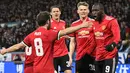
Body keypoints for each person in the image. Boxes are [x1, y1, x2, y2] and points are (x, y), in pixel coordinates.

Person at [0, 11, 92, 73]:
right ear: (48, 22)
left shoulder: (31, 35)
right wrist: (81, 26)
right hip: (47, 68)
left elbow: (18, 46)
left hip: (36, 68)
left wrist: (5, 51)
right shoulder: (49, 33)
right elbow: (65, 31)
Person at [91, 3, 120, 73]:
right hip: (98, 56)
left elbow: (117, 37)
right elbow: (94, 40)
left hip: (109, 56)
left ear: (102, 11)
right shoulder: (93, 23)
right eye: (93, 11)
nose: (94, 13)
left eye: (96, 10)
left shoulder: (111, 21)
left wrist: (113, 45)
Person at [69, 2, 96, 73]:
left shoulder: (94, 23)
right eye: (81, 10)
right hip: (79, 56)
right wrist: (70, 56)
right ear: (77, 11)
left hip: (92, 56)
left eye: (85, 9)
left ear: (88, 11)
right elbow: (72, 42)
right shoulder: (74, 24)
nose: (83, 11)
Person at [50, 5, 72, 73]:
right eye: (54, 12)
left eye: (57, 11)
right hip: (53, 55)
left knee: (68, 71)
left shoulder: (63, 23)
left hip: (64, 53)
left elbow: (64, 33)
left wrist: (69, 37)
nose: (56, 13)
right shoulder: (48, 24)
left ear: (60, 12)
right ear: (51, 13)